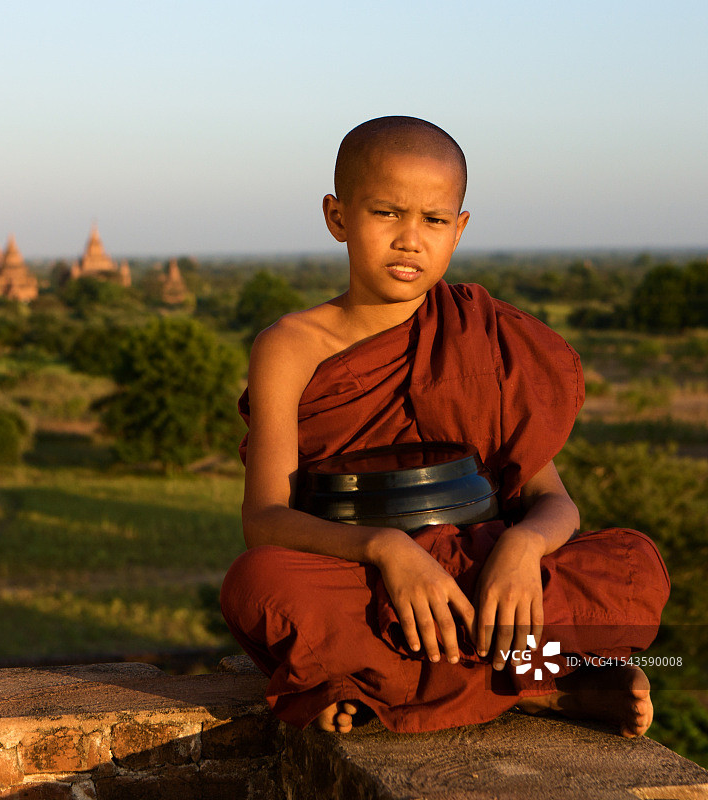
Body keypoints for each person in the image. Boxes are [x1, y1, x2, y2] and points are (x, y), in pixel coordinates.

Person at [220, 116, 669, 738]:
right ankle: (533, 685)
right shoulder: (291, 346)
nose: (410, 240)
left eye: (434, 221)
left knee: (631, 568)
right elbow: (264, 519)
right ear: (337, 216)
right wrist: (386, 549)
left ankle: (379, 686)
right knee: (259, 585)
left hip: (478, 572)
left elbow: (553, 503)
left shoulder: (483, 337)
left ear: (458, 229)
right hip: (364, 574)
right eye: (386, 213)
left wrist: (522, 548)